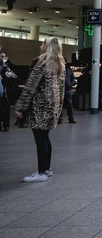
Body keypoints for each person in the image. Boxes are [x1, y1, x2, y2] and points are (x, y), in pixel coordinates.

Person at [14, 38, 65, 182]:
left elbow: (31, 85)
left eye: (42, 43)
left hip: (39, 106)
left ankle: (41, 172)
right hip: (51, 106)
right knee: (45, 138)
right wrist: (58, 108)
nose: (40, 45)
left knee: (40, 139)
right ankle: (47, 169)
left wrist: (21, 106)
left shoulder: (41, 61)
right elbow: (61, 89)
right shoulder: (59, 63)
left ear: (48, 46)